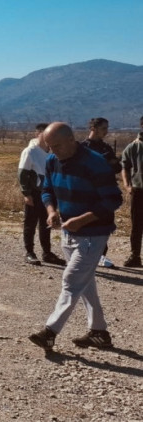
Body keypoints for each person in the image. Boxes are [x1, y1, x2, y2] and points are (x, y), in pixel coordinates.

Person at [28, 122, 122, 352]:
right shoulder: (52, 161)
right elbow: (47, 190)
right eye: (49, 146)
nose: (53, 151)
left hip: (93, 234)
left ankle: (49, 332)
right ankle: (99, 333)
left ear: (72, 139)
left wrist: (82, 220)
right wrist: (51, 211)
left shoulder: (95, 162)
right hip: (69, 233)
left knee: (71, 281)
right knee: (85, 283)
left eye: (57, 145)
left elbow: (113, 200)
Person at [18, 123, 65, 266]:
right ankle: (29, 252)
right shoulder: (30, 151)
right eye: (44, 133)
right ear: (37, 133)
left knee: (47, 224)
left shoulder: (52, 151)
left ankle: (47, 253)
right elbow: (22, 173)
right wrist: (26, 194)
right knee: (30, 223)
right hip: (34, 193)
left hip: (48, 194)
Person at [81, 117, 123, 267]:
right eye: (104, 128)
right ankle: (84, 254)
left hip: (105, 193)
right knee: (87, 223)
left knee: (105, 224)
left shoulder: (106, 148)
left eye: (107, 128)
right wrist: (105, 163)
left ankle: (101, 255)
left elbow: (117, 167)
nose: (107, 131)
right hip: (87, 194)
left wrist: (107, 163)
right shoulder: (82, 148)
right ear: (93, 128)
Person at [120, 115, 143, 267]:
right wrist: (127, 185)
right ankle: (135, 256)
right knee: (137, 225)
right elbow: (125, 167)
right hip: (139, 190)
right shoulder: (133, 147)